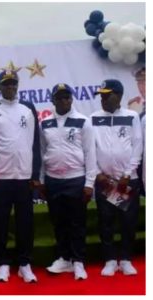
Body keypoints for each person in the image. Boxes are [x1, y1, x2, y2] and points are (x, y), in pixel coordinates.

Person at [0, 70, 41, 283]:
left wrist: (35, 174)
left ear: (18, 86)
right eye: (6, 84)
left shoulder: (28, 108)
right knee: (0, 223)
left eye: (13, 84)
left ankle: (25, 263)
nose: (10, 88)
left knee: (25, 223)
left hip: (24, 176)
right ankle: (2, 263)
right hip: (0, 176)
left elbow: (35, 143)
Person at [40, 83, 96, 280]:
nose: (64, 101)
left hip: (76, 179)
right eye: (60, 97)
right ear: (53, 100)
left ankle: (79, 262)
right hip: (53, 180)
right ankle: (64, 259)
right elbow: (42, 153)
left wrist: (89, 183)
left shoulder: (83, 121)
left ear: (72, 99)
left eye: (67, 97)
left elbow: (90, 153)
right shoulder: (45, 123)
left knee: (77, 223)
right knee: (59, 223)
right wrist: (41, 180)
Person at [91, 79, 143, 276]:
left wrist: (127, 175)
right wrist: (97, 174)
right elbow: (90, 150)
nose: (103, 99)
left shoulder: (131, 116)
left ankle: (126, 260)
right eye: (101, 95)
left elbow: (138, 146)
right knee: (106, 221)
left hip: (126, 181)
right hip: (105, 180)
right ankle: (110, 260)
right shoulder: (94, 118)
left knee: (127, 222)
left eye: (107, 94)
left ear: (119, 96)